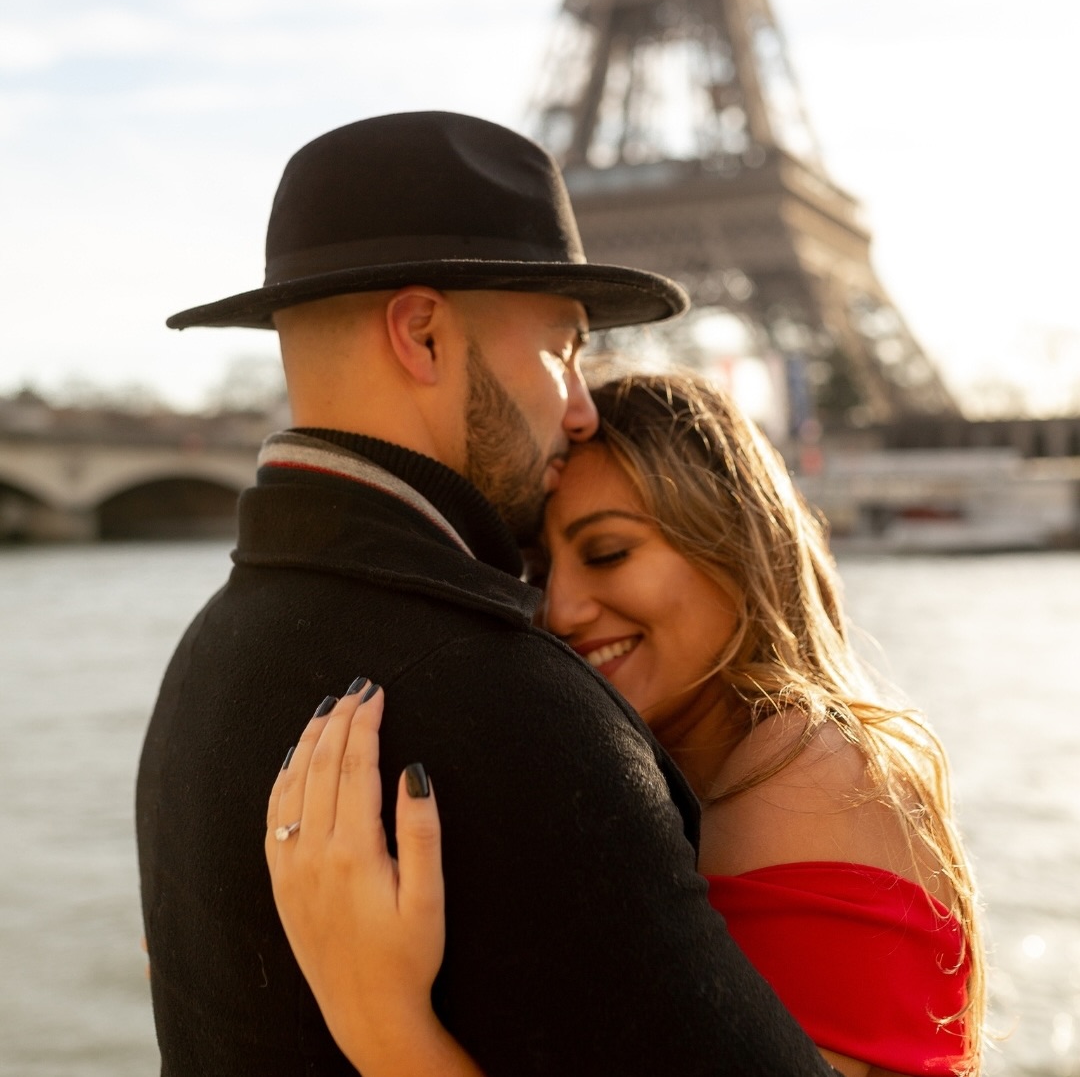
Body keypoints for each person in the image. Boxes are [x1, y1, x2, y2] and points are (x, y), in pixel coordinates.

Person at [136, 111, 834, 1076]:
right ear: (422, 334)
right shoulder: (511, 710)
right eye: (564, 348)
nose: (582, 408)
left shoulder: (204, 662)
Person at [267, 370, 986, 1077]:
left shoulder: (799, 768)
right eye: (539, 571)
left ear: (737, 544)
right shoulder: (714, 778)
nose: (562, 608)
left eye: (608, 552)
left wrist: (384, 1027)